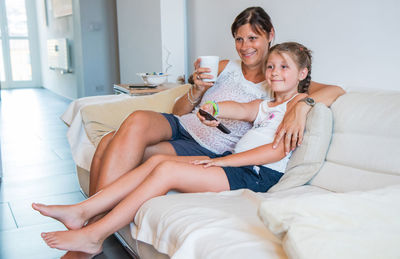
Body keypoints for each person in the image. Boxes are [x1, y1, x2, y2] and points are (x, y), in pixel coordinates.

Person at [33, 42, 316, 256]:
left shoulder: (298, 106)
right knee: (155, 163)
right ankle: (82, 211)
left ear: (302, 73)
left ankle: (94, 234)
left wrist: (224, 163)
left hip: (256, 175)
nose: (274, 73)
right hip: (237, 165)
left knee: (166, 169)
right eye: (271, 66)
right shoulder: (267, 105)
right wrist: (213, 106)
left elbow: (276, 152)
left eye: (284, 67)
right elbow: (239, 109)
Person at [88, 6, 345, 200]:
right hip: (182, 126)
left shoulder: (278, 78)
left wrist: (302, 105)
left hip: (208, 148)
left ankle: (93, 224)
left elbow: (335, 90)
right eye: (239, 39)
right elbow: (178, 111)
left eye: (253, 38)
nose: (245, 47)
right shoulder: (223, 66)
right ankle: (91, 222)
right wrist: (197, 89)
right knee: (134, 121)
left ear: (270, 35)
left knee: (112, 143)